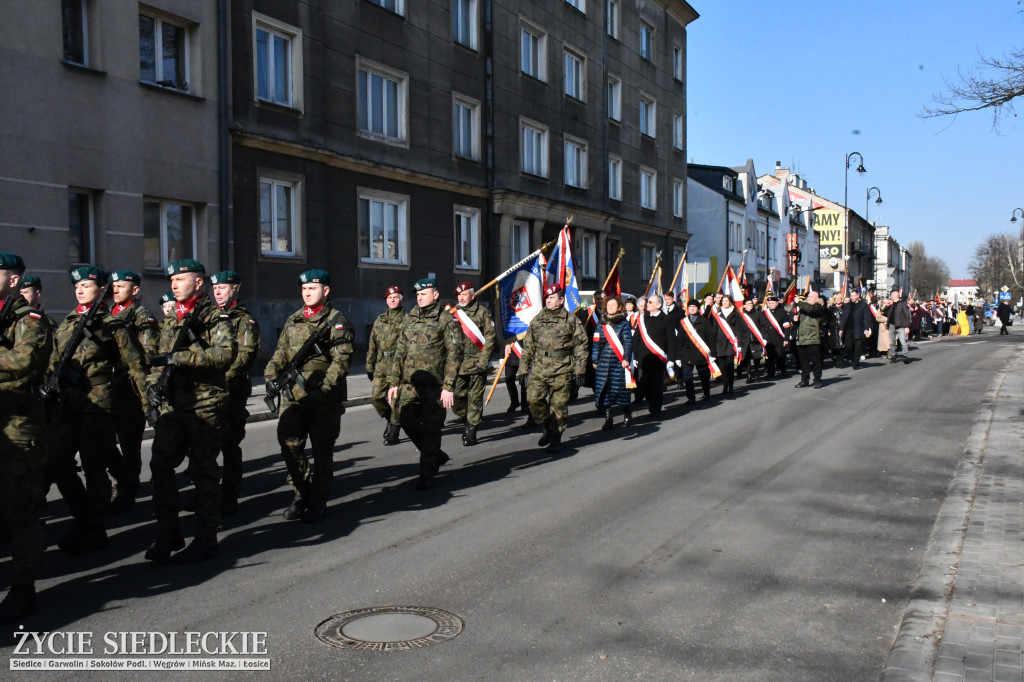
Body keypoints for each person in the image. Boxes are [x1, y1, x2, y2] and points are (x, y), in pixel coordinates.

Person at [46, 266, 147, 555]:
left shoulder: (112, 324)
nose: (79, 289)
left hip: (98, 401)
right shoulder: (67, 322)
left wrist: (148, 401)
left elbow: (135, 363)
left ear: (101, 288)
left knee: (94, 465)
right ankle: (82, 517)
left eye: (87, 285)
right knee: (57, 463)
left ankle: (95, 527)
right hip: (67, 402)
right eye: (77, 286)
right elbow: (53, 361)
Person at [144, 259, 237, 563]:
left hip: (204, 403)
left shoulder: (214, 316)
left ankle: (206, 537)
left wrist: (181, 358)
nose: (174, 284)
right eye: (172, 279)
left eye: (181, 279)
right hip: (174, 403)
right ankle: (168, 532)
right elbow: (161, 358)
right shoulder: (172, 319)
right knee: (160, 466)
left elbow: (224, 355)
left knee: (203, 472)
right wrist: (154, 387)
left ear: (198, 283)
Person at [264, 269, 352, 522]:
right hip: (293, 393)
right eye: (304, 289)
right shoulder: (294, 319)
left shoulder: (337, 321)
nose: (307, 292)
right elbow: (280, 352)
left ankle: (318, 499)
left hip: (323, 396)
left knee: (323, 449)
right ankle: (302, 492)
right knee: (289, 443)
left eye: (312, 288)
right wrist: (270, 377)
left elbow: (342, 360)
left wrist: (323, 390)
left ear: (326, 291)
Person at [0, 253, 53, 623]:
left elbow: (23, 363)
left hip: (18, 429)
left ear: (14, 281)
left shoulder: (29, 320)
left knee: (21, 513)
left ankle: (23, 588)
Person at [387, 278, 463, 491]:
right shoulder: (410, 318)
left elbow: (454, 354)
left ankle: (427, 472)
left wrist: (449, 386)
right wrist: (394, 382)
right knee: (406, 420)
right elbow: (400, 351)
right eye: (418, 294)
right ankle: (435, 455)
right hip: (410, 384)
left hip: (435, 386)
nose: (420, 297)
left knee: (431, 429)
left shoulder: (446, 320)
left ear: (435, 295)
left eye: (424, 294)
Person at [107, 269, 159, 514]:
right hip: (107, 389)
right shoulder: (109, 314)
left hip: (130, 388)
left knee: (129, 444)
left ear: (135, 290)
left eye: (121, 286)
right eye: (113, 285)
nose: (115, 289)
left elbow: (148, 353)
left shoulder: (141, 316)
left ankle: (127, 489)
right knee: (103, 441)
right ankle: (123, 478)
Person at [209, 271, 260, 517]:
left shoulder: (243, 320)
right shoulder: (211, 316)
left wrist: (222, 380)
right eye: (215, 288)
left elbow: (246, 355)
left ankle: (229, 494)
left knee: (229, 443)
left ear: (235, 289)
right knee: (205, 444)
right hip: (208, 392)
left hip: (232, 390)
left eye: (223, 287)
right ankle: (206, 493)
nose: (218, 292)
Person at [517, 285, 588, 454]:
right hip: (540, 367)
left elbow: (581, 346)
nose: (548, 300)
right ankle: (547, 426)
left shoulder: (571, 320)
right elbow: (528, 346)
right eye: (547, 298)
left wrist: (580, 370)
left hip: (562, 368)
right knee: (533, 399)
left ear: (561, 300)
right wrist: (523, 369)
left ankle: (556, 438)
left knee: (558, 406)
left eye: (552, 297)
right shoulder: (537, 319)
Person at [450, 282, 496, 446]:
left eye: (464, 294)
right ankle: (466, 416)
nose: (461, 297)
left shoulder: (483, 313)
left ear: (472, 295)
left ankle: (471, 429)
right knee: (455, 397)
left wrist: (484, 361)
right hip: (457, 364)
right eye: (459, 295)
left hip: (477, 362)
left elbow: (490, 339)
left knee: (475, 398)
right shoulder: (453, 314)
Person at [366, 286, 406, 446]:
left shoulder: (407, 320)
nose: (393, 300)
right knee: (376, 398)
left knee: (396, 400)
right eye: (390, 298)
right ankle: (391, 418)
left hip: (398, 366)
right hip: (381, 366)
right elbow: (372, 345)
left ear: (401, 299)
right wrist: (369, 365)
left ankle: (394, 430)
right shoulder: (380, 319)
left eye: (396, 297)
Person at [590, 296, 633, 429]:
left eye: (613, 305)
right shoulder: (601, 323)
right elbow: (596, 343)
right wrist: (595, 360)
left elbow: (627, 342)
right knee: (605, 391)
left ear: (619, 307)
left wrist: (626, 358)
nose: (610, 308)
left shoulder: (624, 323)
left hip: (619, 362)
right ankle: (609, 418)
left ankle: (627, 413)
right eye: (608, 306)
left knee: (621, 390)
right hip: (603, 362)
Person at [633, 294, 675, 418]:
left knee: (656, 386)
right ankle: (650, 402)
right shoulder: (642, 318)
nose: (647, 304)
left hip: (658, 359)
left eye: (650, 302)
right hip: (644, 358)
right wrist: (635, 356)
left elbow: (671, 340)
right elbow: (636, 339)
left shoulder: (666, 319)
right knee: (644, 384)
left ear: (659, 305)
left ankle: (655, 409)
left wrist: (671, 359)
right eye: (647, 302)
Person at [676, 298, 718, 404]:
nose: (692, 308)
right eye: (690, 307)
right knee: (687, 377)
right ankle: (691, 398)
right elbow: (679, 340)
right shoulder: (683, 322)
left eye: (694, 307)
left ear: (698, 309)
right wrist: (678, 356)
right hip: (687, 354)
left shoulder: (704, 322)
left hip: (701, 353)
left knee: (703, 375)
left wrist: (713, 353)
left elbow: (711, 338)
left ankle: (706, 393)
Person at [708, 294, 746, 395]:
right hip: (719, 344)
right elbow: (714, 330)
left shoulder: (735, 314)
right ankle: (725, 384)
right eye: (723, 301)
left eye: (726, 301)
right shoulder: (717, 315)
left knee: (729, 367)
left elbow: (739, 330)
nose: (724, 303)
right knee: (722, 367)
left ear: (730, 302)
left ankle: (730, 386)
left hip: (730, 344)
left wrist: (739, 344)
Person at [794, 291, 826, 388]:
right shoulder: (803, 308)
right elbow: (800, 324)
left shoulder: (818, 307)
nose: (809, 298)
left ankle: (817, 380)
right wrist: (795, 321)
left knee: (815, 361)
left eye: (812, 297)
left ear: (817, 298)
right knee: (804, 362)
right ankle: (805, 380)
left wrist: (799, 302)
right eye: (808, 296)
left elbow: (811, 310)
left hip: (813, 339)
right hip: (802, 339)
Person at [839, 289, 873, 370]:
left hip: (858, 329)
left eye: (854, 296)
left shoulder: (863, 305)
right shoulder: (847, 305)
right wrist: (841, 328)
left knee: (858, 347)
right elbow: (843, 318)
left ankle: (856, 363)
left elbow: (866, 318)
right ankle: (852, 358)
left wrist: (866, 328)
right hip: (848, 329)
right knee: (848, 346)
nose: (852, 297)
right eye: (851, 296)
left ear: (858, 296)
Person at [757, 295, 789, 379]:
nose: (771, 304)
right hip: (768, 338)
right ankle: (770, 373)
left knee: (780, 355)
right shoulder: (764, 313)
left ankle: (783, 371)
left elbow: (786, 326)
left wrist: (786, 338)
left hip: (778, 338)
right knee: (769, 357)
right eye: (769, 303)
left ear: (777, 303)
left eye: (772, 303)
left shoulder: (783, 313)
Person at [738, 298, 765, 383]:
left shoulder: (758, 314)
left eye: (751, 303)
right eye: (748, 303)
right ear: (744, 305)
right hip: (745, 341)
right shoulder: (741, 316)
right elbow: (738, 329)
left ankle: (757, 373)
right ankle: (749, 374)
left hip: (756, 339)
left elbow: (763, 326)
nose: (750, 305)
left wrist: (763, 337)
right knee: (747, 358)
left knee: (757, 357)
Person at [882, 291, 913, 364]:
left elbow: (907, 315)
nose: (890, 298)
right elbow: (885, 312)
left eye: (891, 296)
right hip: (892, 325)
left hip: (901, 325)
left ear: (894, 296)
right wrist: (887, 305)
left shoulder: (902, 304)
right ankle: (893, 355)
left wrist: (907, 326)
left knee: (902, 341)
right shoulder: (892, 305)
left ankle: (905, 355)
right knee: (892, 342)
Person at [826, 294, 845, 369]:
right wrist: (829, 330)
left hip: (842, 329)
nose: (838, 300)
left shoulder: (844, 307)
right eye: (836, 298)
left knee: (842, 346)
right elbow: (828, 320)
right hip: (833, 329)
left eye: (839, 298)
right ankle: (836, 360)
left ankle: (841, 361)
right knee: (835, 347)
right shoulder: (831, 309)